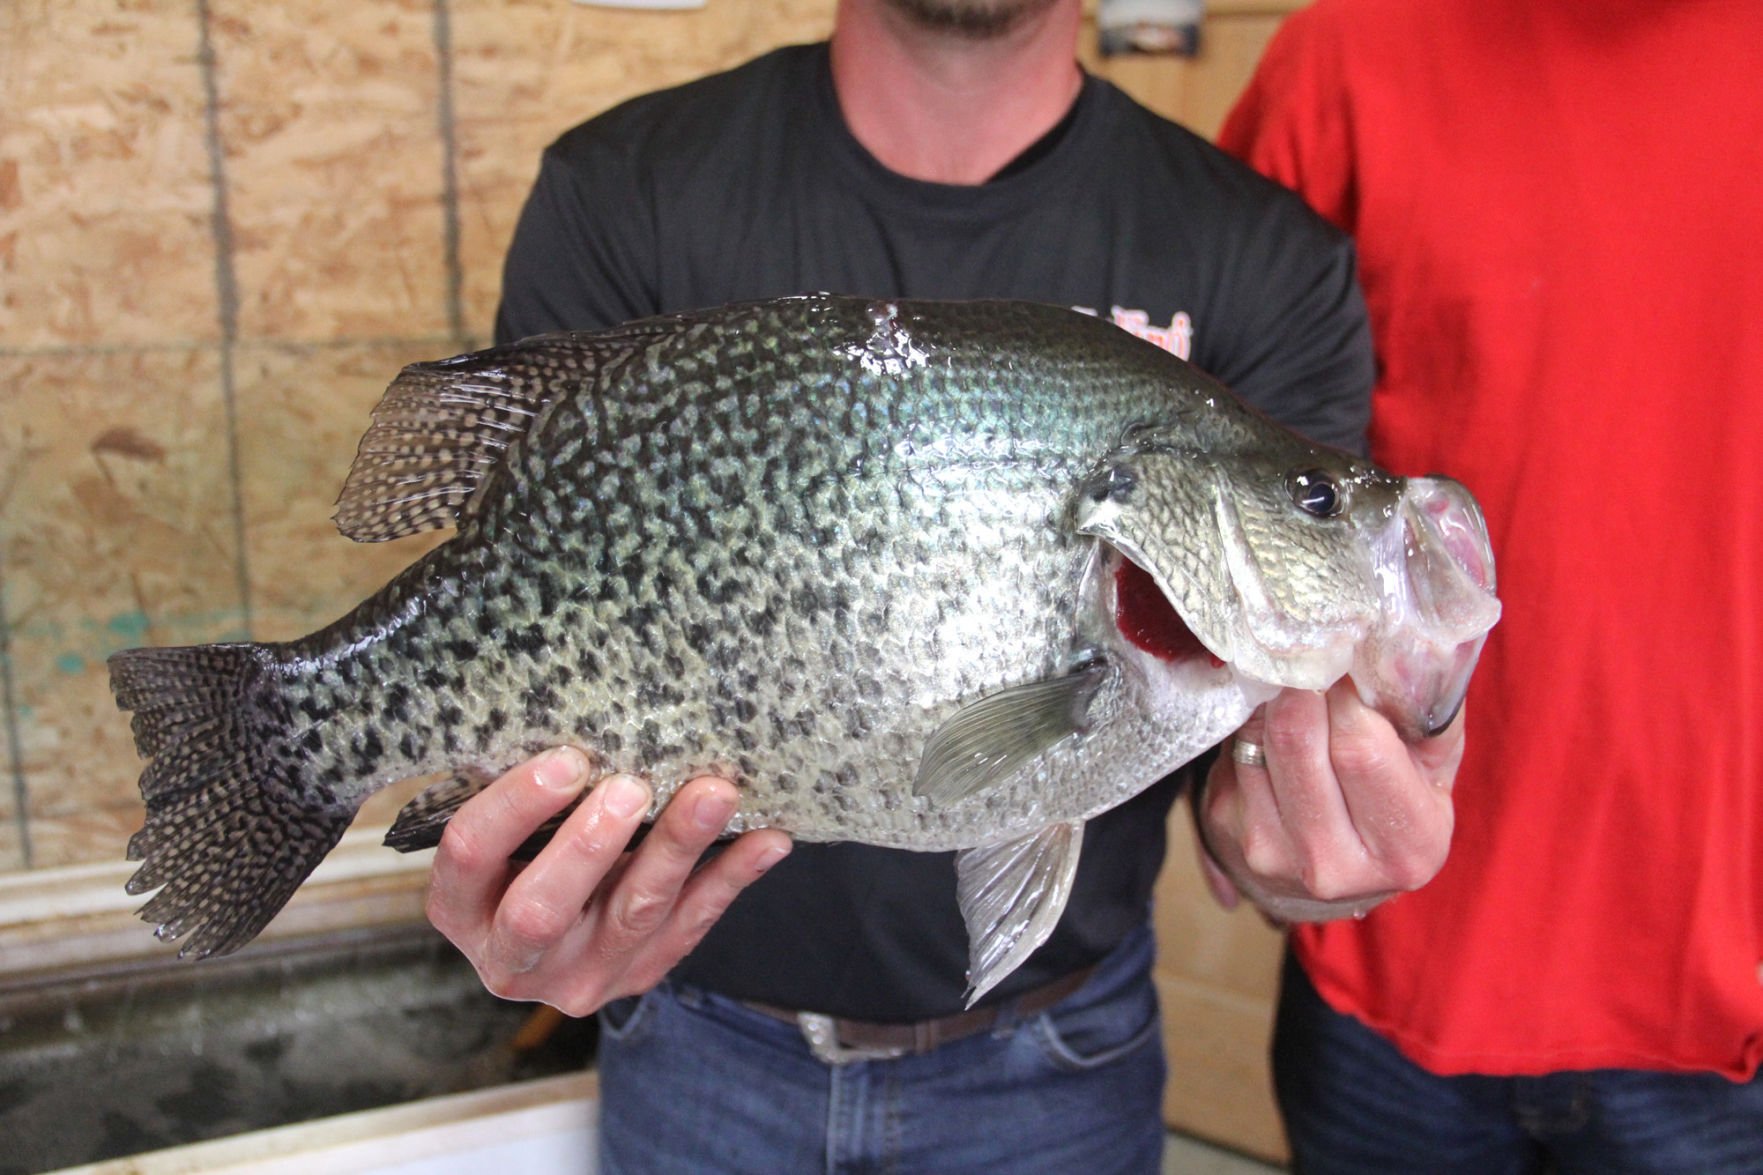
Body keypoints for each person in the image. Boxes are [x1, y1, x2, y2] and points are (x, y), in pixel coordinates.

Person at [425, 2, 1465, 1169]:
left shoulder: (1269, 259)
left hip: (1057, 1065)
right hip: (685, 1032)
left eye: (1315, 500)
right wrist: (532, 878)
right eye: (1315, 501)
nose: (1327, 512)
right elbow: (529, 591)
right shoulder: (617, 187)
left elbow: (1244, 775)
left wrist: (1302, 855)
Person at [1216, 1, 1763, 1171]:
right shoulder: (1346, 56)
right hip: (1389, 960)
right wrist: (1240, 801)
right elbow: (1210, 475)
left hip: (1725, 998)